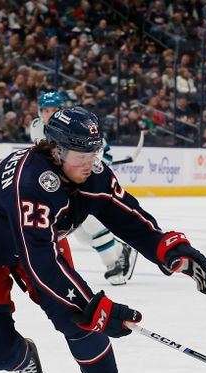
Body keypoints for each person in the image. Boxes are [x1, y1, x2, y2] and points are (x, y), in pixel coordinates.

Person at [0, 107, 206, 373]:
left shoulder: (93, 174)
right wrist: (94, 306)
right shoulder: (33, 184)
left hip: (40, 242)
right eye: (80, 155)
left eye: (94, 151)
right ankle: (22, 360)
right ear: (56, 150)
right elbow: (40, 262)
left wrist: (170, 250)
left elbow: (128, 217)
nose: (89, 163)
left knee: (74, 315)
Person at [31, 92, 138, 285]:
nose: (49, 114)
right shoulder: (36, 128)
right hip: (62, 183)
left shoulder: (75, 125)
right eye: (45, 110)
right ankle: (121, 249)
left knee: (90, 223)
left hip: (82, 180)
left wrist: (90, 170)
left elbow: (106, 154)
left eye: (53, 109)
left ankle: (114, 266)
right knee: (79, 234)